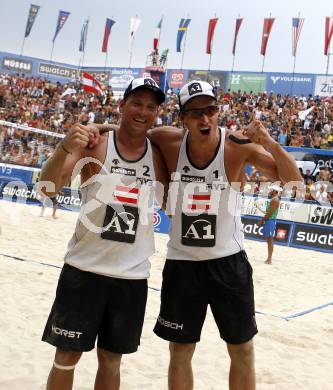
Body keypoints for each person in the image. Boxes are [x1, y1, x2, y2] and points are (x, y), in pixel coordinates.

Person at [147, 80, 302, 390]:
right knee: (179, 351)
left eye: (211, 110)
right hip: (183, 263)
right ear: (182, 118)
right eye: (195, 114)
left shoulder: (237, 145)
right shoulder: (166, 140)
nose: (205, 119)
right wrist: (91, 126)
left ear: (219, 111)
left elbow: (294, 183)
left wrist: (270, 143)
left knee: (242, 350)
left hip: (228, 263)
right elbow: (127, 130)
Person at [40, 77, 167, 390]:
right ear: (122, 105)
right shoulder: (94, 143)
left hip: (131, 277)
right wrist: (63, 147)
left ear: (157, 113)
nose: (143, 111)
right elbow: (48, 189)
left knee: (111, 363)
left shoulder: (161, 153)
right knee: (65, 358)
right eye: (136, 102)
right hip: (84, 270)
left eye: (151, 106)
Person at [257, 185, 281, 264]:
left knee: (270, 240)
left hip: (270, 221)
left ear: (274, 191)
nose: (269, 191)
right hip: (269, 220)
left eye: (271, 190)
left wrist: (262, 220)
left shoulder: (275, 200)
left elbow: (270, 214)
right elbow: (269, 212)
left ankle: (269, 259)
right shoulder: (274, 199)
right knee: (269, 240)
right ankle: (269, 259)